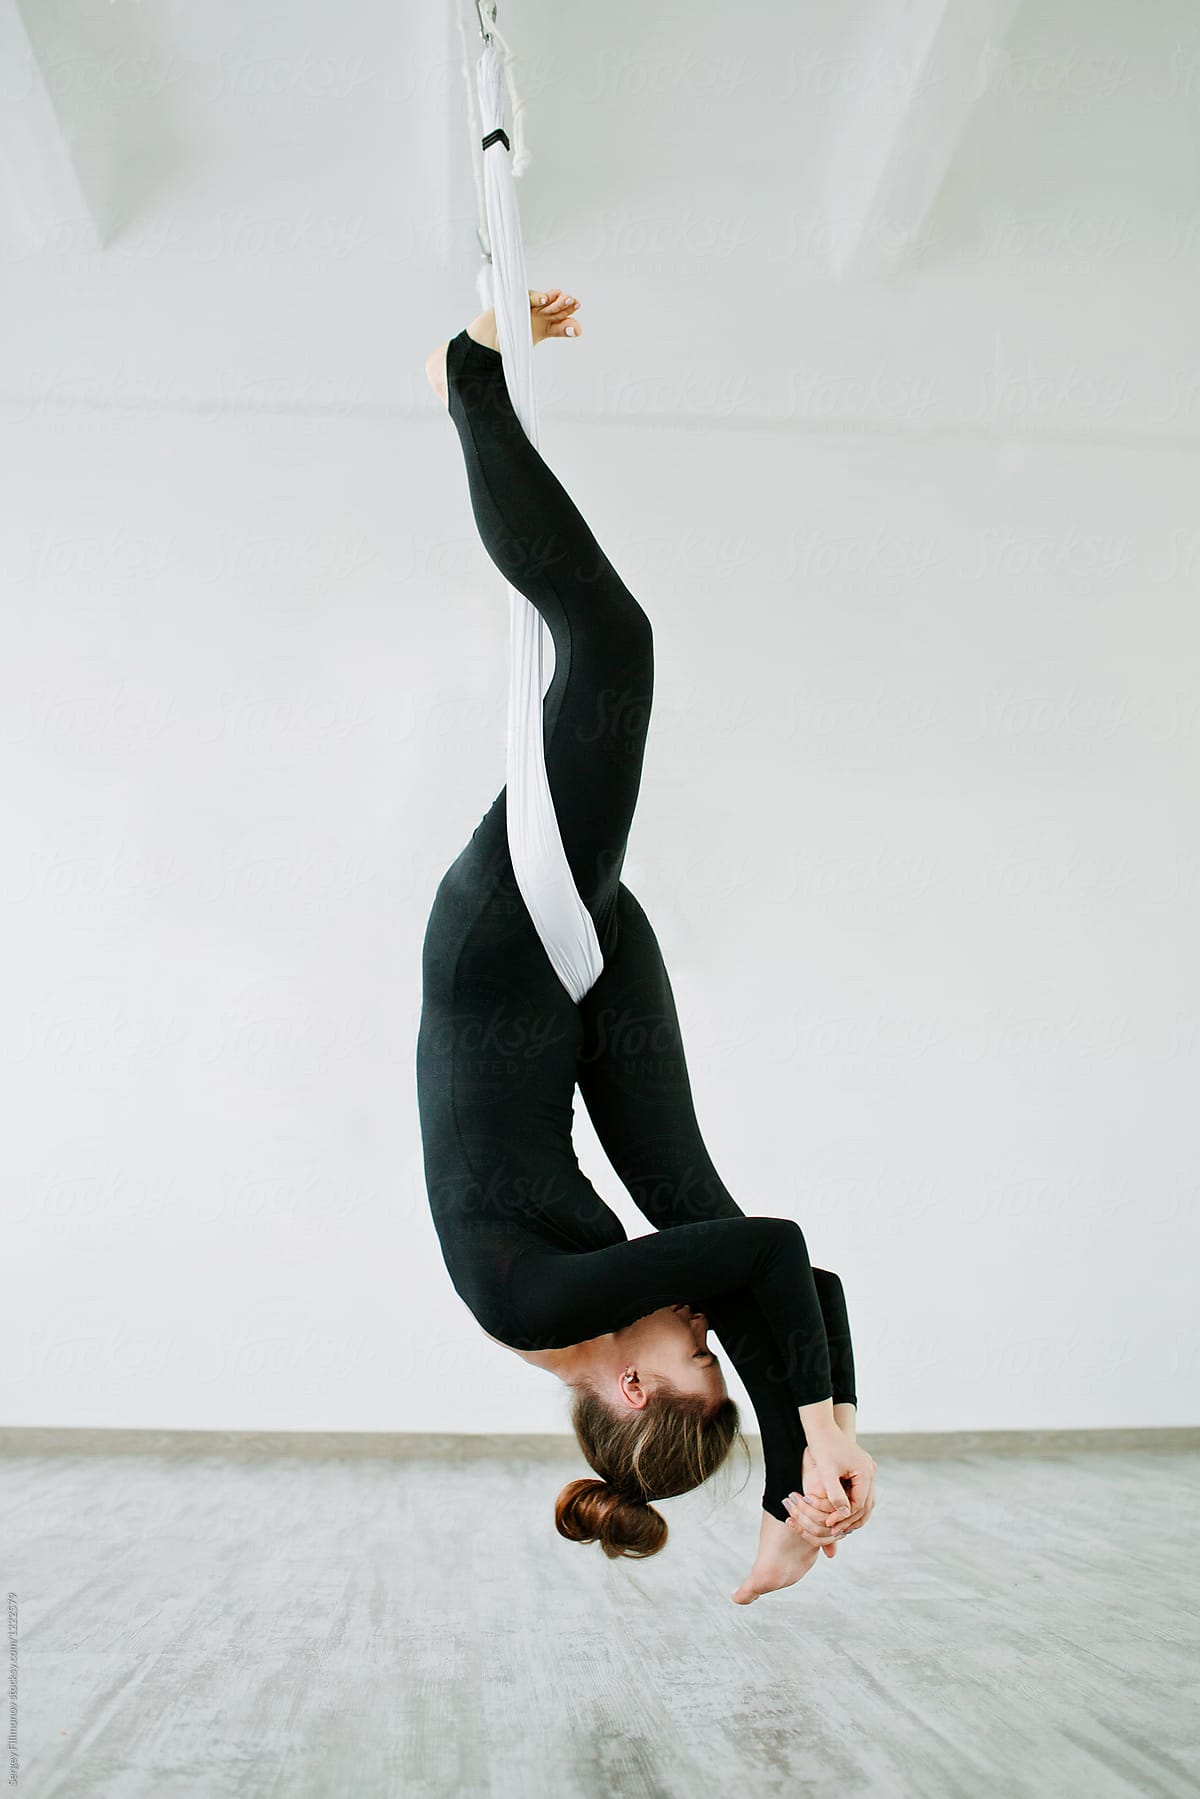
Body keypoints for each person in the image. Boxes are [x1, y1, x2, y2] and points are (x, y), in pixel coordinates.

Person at [416, 290, 877, 1603]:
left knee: (610, 642)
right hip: (579, 978)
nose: (704, 1344)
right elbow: (780, 1266)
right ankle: (793, 1487)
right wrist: (805, 1471)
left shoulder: (535, 1307)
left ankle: (467, 382)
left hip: (508, 949)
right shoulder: (582, 1319)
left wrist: (823, 1429)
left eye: (696, 1366)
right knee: (713, 1226)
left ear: (628, 1387)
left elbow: (766, 1260)